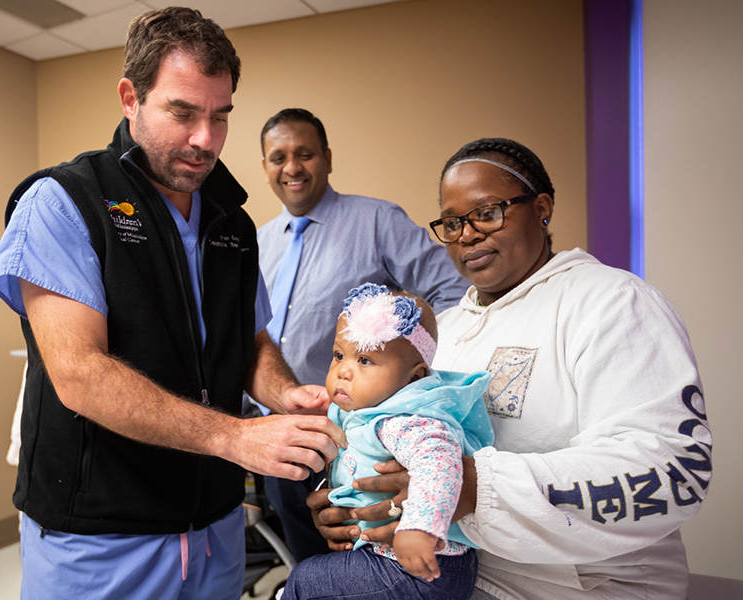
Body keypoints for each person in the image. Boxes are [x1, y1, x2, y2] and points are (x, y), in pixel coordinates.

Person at [0, 7, 345, 600]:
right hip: (101, 541)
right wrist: (235, 438)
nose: (205, 139)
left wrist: (285, 394)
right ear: (131, 98)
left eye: (220, 116)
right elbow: (80, 374)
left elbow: (250, 340)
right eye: (183, 113)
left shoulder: (230, 218)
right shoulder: (64, 202)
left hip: (215, 527)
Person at [309, 138, 712, 599]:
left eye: (487, 212)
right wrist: (352, 501)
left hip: (582, 586)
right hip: (449, 579)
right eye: (453, 222)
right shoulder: (443, 334)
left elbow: (674, 468)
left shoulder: (612, 303)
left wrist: (476, 488)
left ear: (542, 208)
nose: (467, 234)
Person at [254, 108, 469, 561]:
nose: (291, 167)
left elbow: (452, 293)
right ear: (265, 167)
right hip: (283, 444)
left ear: (328, 158)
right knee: (309, 562)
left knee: (374, 568)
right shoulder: (260, 242)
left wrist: (413, 385)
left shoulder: (376, 221)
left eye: (305, 153)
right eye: (278, 157)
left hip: (368, 442)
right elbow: (253, 339)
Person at [281, 283, 492, 600]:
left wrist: (420, 529)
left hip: (423, 566)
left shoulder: (407, 420)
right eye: (339, 355)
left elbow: (439, 465)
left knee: (305, 582)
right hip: (386, 556)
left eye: (365, 361)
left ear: (414, 377)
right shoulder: (365, 411)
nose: (344, 371)